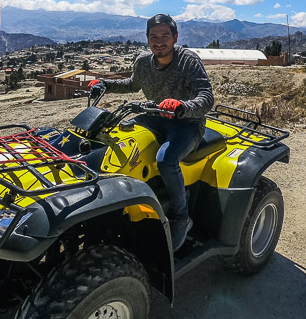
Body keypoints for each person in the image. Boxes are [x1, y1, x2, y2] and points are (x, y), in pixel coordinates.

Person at [88, 14, 214, 251]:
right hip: (154, 118)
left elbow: (207, 97)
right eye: (153, 37)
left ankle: (180, 216)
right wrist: (104, 83)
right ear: (147, 39)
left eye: (165, 36)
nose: (159, 42)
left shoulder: (188, 61)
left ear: (175, 37)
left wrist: (182, 106)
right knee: (116, 142)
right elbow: (133, 84)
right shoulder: (144, 62)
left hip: (187, 123)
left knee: (165, 160)